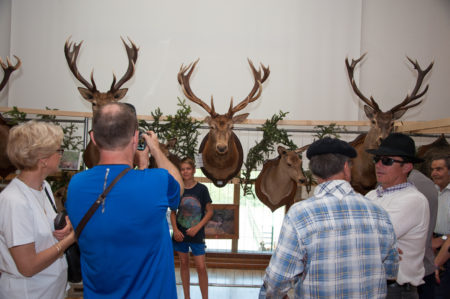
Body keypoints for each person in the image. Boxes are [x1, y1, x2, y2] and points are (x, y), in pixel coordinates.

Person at [65, 102, 183, 298]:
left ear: (93, 138)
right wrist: (155, 149)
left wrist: (143, 167)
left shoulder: (76, 184)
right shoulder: (156, 182)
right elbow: (177, 188)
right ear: (135, 138)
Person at [259, 137, 399, 299]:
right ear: (346, 167)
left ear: (314, 171)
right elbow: (390, 271)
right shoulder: (379, 213)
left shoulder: (300, 215)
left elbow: (277, 279)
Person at [0, 120, 75, 299]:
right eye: (58, 151)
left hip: (51, 290)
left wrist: (67, 226)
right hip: (28, 293)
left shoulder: (44, 187)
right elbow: (28, 266)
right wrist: (71, 239)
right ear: (43, 159)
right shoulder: (13, 201)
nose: (61, 155)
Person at [365, 133, 430, 299]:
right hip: (373, 286)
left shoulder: (414, 200)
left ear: (407, 166)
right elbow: (365, 237)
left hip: (395, 290)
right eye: (377, 159)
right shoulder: (372, 195)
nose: (379, 165)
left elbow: (375, 237)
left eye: (387, 161)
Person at [170, 157, 213, 299]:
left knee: (201, 267)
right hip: (180, 236)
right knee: (184, 264)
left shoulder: (202, 189)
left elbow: (210, 211)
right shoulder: (178, 189)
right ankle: (186, 296)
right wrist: (175, 230)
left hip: (197, 235)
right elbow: (173, 213)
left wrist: (197, 227)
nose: (185, 171)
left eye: (188, 169)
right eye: (182, 169)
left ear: (194, 170)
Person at [407, 169, 438, 298]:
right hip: (422, 268)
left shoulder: (416, 185)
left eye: (386, 160)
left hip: (417, 272)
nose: (378, 165)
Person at [430, 154, 450, 298]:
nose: (434, 173)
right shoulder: (434, 192)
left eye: (439, 169)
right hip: (434, 249)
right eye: (432, 169)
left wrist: (436, 263)